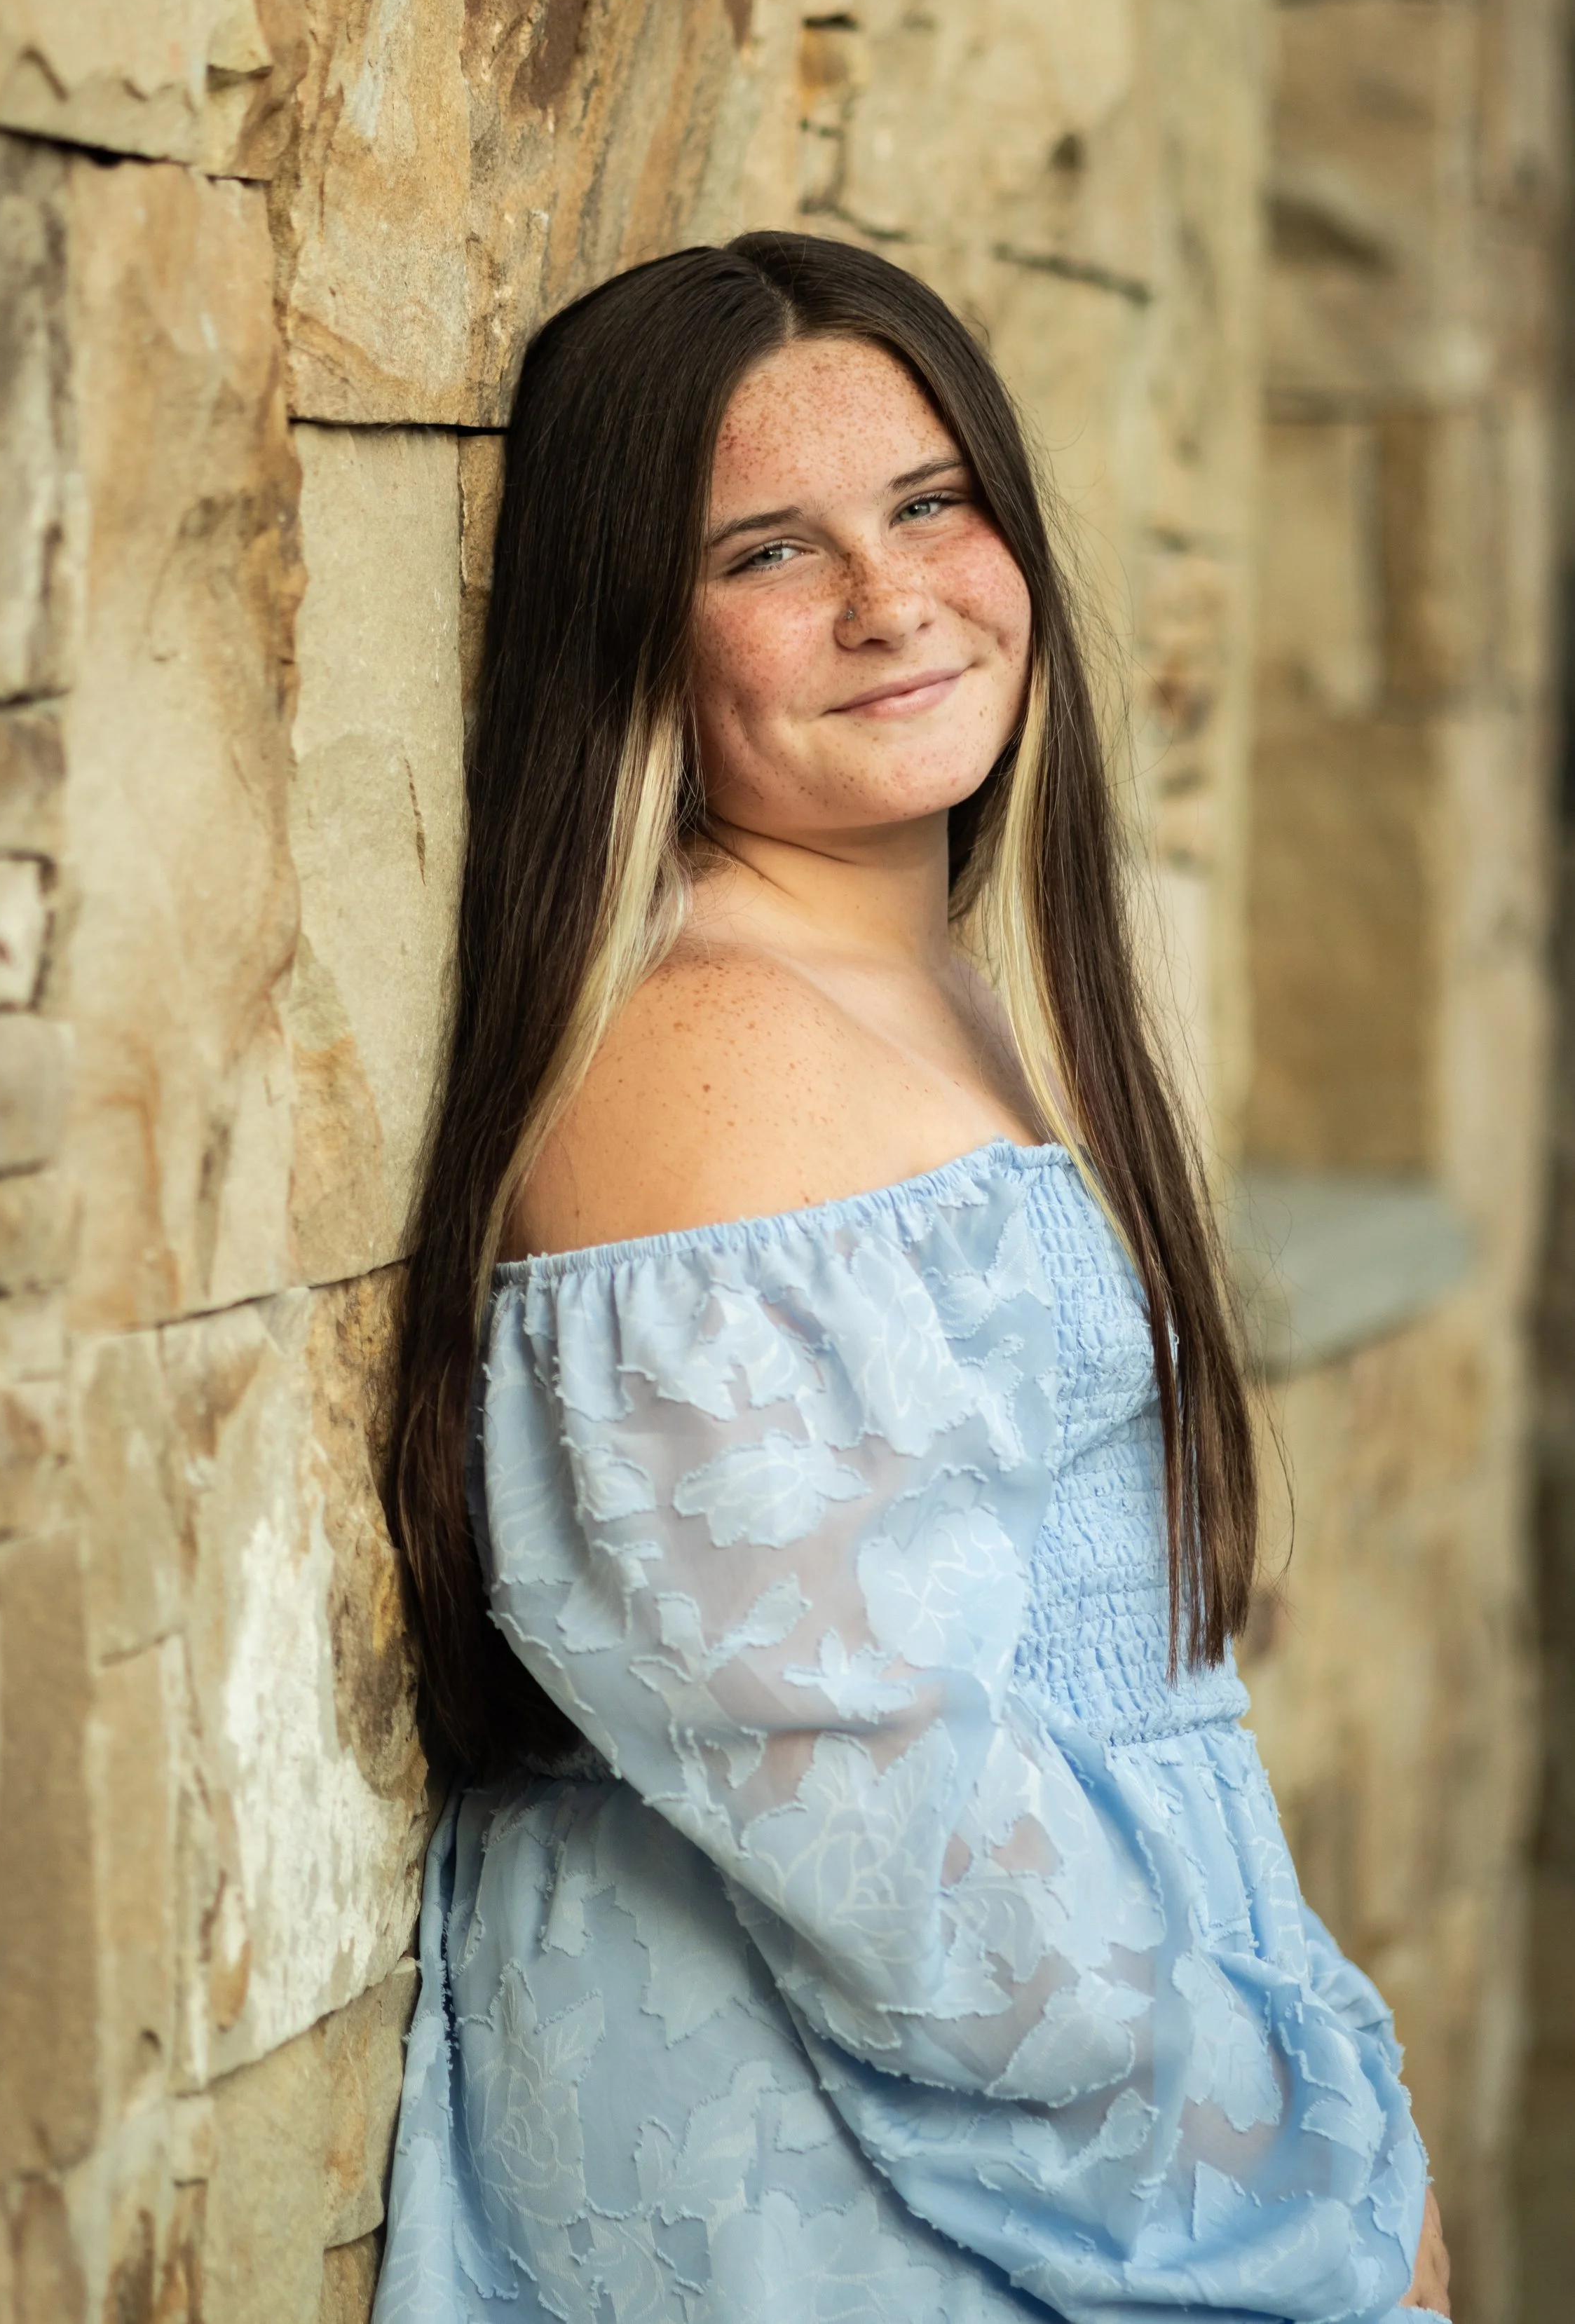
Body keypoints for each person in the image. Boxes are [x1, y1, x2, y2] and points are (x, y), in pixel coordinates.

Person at [374, 232, 1452, 2323]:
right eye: (766, 550)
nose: (890, 600)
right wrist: (1292, 2160)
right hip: (894, 2158)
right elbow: (871, 1816)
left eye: (931, 501)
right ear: (632, 633)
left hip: (1064, 2100)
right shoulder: (716, 1051)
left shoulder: (919, 970)